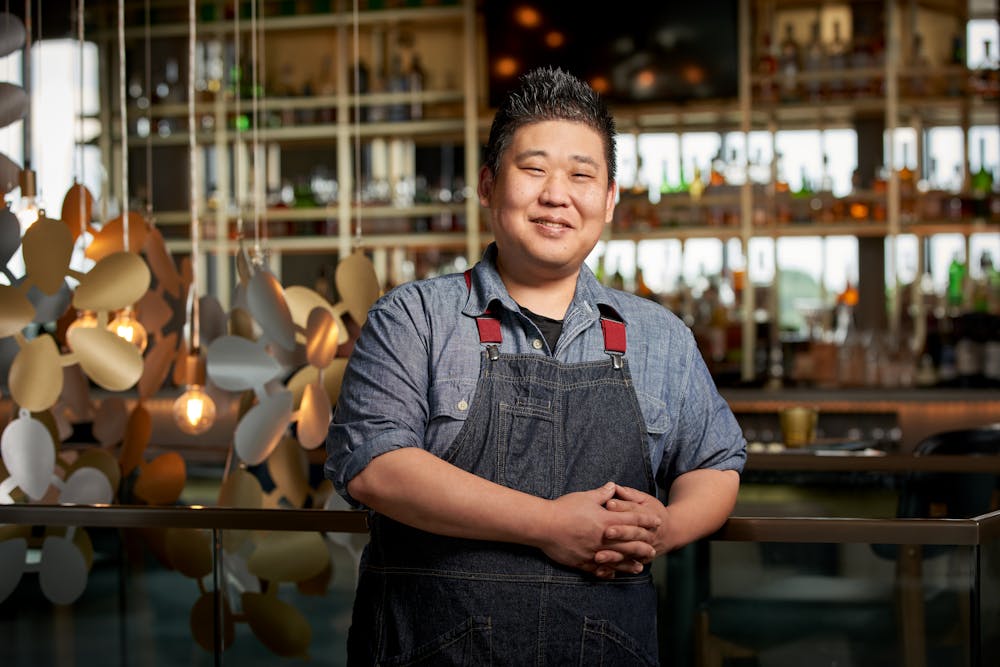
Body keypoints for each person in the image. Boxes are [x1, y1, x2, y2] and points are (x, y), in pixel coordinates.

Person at [325, 65, 745, 666]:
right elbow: (373, 465)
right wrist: (549, 524)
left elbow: (716, 462)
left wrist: (666, 527)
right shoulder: (412, 318)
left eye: (581, 175)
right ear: (489, 185)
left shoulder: (660, 338)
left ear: (608, 199)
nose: (557, 195)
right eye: (534, 169)